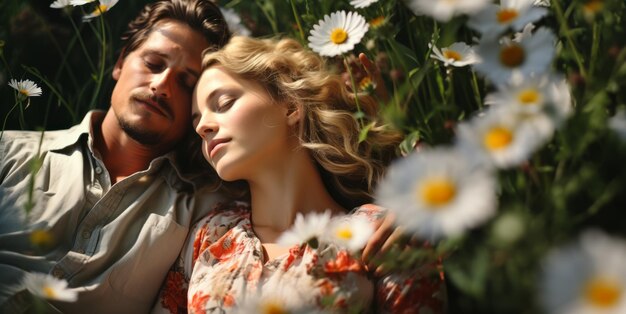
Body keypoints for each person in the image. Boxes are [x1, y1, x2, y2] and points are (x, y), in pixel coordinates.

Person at [154, 36, 446, 313]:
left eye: (224, 103)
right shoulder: (210, 234)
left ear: (291, 105)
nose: (203, 126)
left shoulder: (378, 233)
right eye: (197, 119)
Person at [0, 0, 231, 312]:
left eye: (186, 83)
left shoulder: (203, 213)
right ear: (121, 61)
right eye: (153, 63)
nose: (162, 86)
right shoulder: (8, 152)